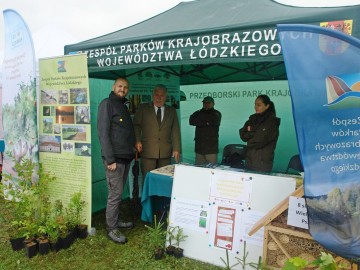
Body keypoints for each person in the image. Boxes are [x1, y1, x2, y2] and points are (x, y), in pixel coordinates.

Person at [97, 77, 135, 244]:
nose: (123, 89)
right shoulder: (107, 104)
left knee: (118, 194)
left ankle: (116, 220)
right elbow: (103, 134)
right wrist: (110, 159)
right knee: (115, 194)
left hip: (125, 158)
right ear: (113, 87)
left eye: (125, 87)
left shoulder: (123, 106)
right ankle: (111, 228)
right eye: (120, 86)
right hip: (114, 160)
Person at [133, 84, 181, 179]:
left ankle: (161, 195)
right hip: (147, 151)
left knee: (164, 179)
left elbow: (175, 130)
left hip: (165, 153)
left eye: (162, 95)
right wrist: (137, 140)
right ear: (152, 95)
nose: (159, 98)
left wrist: (176, 149)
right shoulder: (143, 108)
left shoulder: (172, 111)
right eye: (156, 95)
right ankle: (148, 195)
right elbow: (136, 126)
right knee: (148, 179)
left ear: (166, 97)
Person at [239, 94, 280, 172]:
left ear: (267, 106)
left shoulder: (272, 122)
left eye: (259, 105)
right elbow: (242, 135)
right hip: (249, 161)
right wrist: (253, 134)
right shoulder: (252, 119)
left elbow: (260, 141)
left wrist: (250, 135)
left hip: (262, 164)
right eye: (255, 104)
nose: (256, 107)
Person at [189, 96, 222, 165]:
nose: (206, 104)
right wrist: (205, 123)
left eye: (208, 103)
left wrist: (200, 122)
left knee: (212, 170)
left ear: (213, 104)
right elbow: (191, 121)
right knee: (199, 169)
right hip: (199, 148)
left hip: (211, 148)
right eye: (204, 102)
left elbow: (213, 122)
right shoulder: (198, 112)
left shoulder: (217, 114)